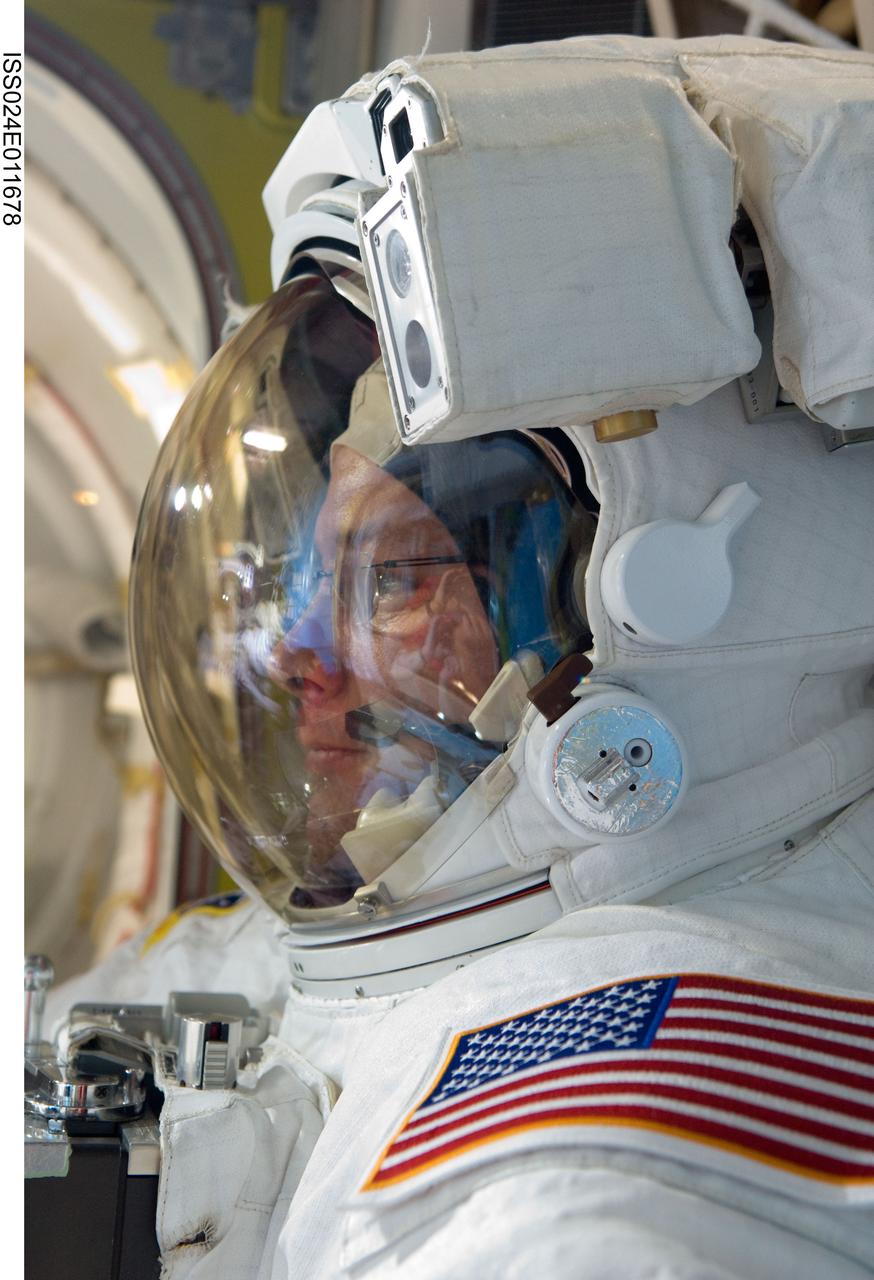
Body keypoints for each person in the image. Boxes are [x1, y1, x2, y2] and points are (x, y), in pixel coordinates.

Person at [44, 31, 874, 1278]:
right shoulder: (394, 910)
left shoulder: (594, 1190)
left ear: (668, 613)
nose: (295, 662)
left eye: (390, 578)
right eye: (307, 581)